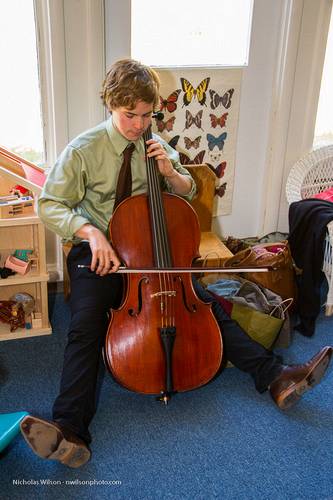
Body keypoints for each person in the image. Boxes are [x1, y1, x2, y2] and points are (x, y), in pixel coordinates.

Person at [20, 59, 332, 469]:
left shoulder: (155, 143)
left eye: (147, 115)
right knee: (86, 324)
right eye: (129, 115)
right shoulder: (83, 150)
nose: (139, 124)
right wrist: (89, 232)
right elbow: (50, 204)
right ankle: (70, 427)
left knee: (204, 306)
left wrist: (171, 172)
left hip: (152, 251)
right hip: (98, 248)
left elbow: (186, 189)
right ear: (110, 106)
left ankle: (275, 377)